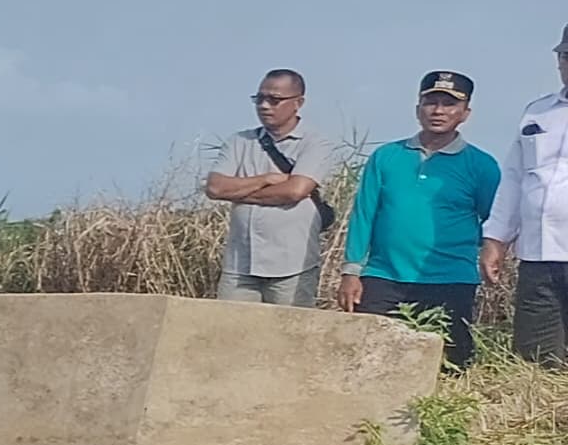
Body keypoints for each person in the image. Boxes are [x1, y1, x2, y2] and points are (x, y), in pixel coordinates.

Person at [337, 70, 503, 365]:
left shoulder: (482, 165)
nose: (438, 110)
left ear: (465, 113)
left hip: (450, 280)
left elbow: (495, 221)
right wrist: (351, 271)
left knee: (449, 365)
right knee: (365, 360)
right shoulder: (386, 156)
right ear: (418, 109)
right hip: (382, 278)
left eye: (449, 104)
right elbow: (364, 215)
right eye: (431, 102)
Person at [202, 69, 330, 307]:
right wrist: (265, 179)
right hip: (240, 265)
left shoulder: (315, 143)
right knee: (231, 335)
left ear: (298, 103)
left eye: (274, 100)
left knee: (289, 336)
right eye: (259, 99)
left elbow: (295, 191)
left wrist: (239, 194)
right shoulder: (239, 141)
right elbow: (215, 188)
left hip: (292, 266)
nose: (264, 106)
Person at [488, 35, 568, 363]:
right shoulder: (537, 113)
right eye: (567, 55)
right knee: (535, 360)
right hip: (538, 256)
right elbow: (514, 179)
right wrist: (496, 238)